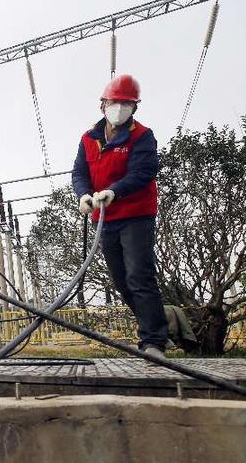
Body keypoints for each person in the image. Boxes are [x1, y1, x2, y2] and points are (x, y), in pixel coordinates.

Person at [71, 74, 168, 359]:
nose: (119, 108)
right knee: (122, 280)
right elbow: (79, 172)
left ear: (134, 107)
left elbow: (143, 171)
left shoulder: (142, 135)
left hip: (136, 215)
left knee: (139, 275)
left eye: (126, 103)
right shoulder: (89, 138)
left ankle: (153, 343)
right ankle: (158, 326)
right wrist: (83, 194)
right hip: (104, 218)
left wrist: (114, 191)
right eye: (115, 102)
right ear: (103, 104)